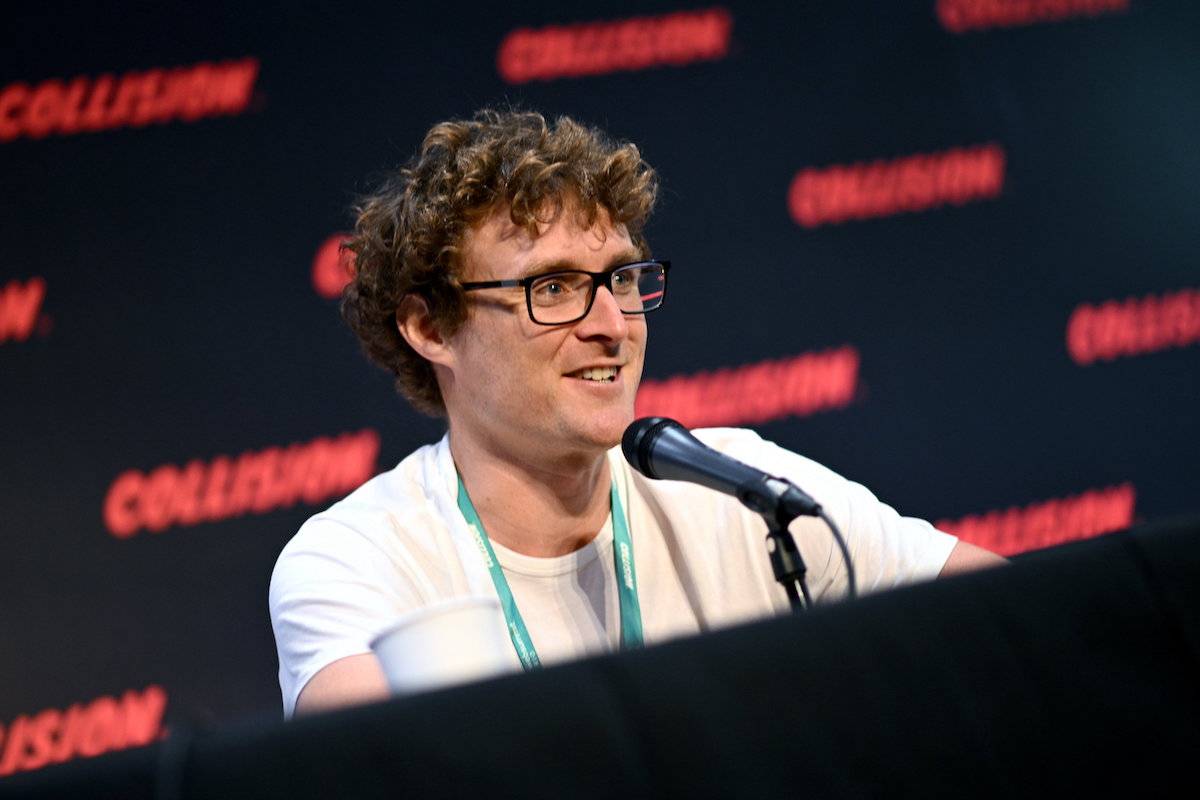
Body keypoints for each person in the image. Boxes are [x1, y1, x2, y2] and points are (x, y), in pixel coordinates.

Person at [269, 109, 1003, 718]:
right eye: (553, 288)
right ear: (431, 328)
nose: (613, 324)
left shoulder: (741, 487)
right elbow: (374, 771)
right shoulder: (356, 558)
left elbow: (1024, 621)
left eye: (621, 278)